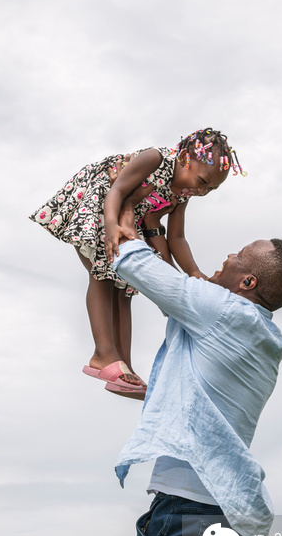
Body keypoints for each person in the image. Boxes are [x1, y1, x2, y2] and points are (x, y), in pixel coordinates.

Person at [111, 233, 282, 536]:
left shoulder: (224, 311)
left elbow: (130, 260)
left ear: (247, 283)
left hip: (189, 516)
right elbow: (208, 393)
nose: (229, 255)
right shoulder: (268, 339)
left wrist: (123, 204)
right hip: (241, 526)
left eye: (239, 255)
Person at [29, 128, 245, 398]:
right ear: (187, 158)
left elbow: (176, 237)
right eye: (202, 180)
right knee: (102, 273)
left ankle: (123, 367)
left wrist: (192, 271)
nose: (201, 190)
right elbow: (117, 189)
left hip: (126, 217)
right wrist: (110, 226)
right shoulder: (156, 159)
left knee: (125, 290)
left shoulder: (183, 194)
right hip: (101, 201)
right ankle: (103, 354)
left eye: (210, 189)